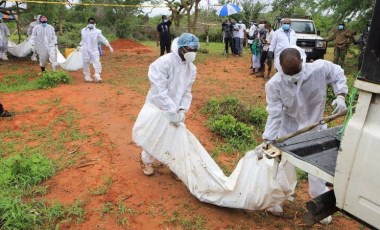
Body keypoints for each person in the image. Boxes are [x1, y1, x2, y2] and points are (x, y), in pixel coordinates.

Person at [262, 47, 348, 225]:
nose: (293, 75)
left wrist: (340, 95)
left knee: (317, 168)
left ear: (302, 61)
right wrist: (269, 138)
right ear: (280, 68)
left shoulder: (320, 69)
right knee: (282, 166)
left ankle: (320, 204)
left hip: (315, 128)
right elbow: (275, 113)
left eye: (296, 71)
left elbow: (338, 74)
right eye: (288, 73)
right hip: (288, 131)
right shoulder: (275, 84)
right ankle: (277, 200)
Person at [135, 33, 200, 176]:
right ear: (182, 48)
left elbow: (187, 91)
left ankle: (174, 165)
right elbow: (158, 91)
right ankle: (146, 160)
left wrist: (182, 110)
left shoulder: (191, 68)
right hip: (158, 106)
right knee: (155, 135)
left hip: (176, 109)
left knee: (175, 137)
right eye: (190, 49)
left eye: (195, 50)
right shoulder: (163, 63)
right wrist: (170, 111)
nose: (193, 53)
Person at [78, 17, 114, 82]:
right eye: (90, 22)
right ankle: (87, 76)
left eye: (92, 22)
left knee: (97, 62)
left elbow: (103, 39)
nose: (91, 23)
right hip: (85, 49)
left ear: (95, 23)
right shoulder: (83, 30)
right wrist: (79, 45)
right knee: (85, 62)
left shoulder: (97, 32)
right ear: (87, 23)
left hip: (94, 50)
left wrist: (109, 46)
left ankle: (97, 75)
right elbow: (83, 39)